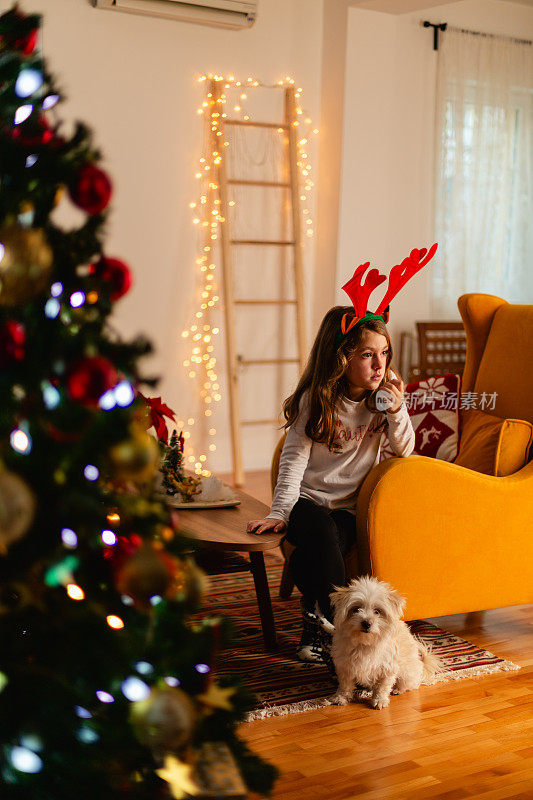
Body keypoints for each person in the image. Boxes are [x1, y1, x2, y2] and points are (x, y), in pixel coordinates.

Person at [246, 243, 437, 661]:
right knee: (318, 535)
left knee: (330, 543)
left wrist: (397, 410)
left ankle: (314, 621)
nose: (378, 365)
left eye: (383, 354)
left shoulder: (381, 401)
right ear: (342, 357)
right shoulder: (318, 401)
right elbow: (293, 459)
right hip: (308, 502)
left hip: (350, 507)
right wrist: (280, 512)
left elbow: (405, 451)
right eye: (367, 355)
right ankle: (331, 633)